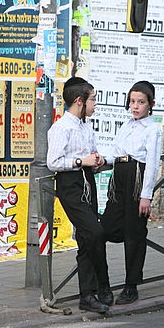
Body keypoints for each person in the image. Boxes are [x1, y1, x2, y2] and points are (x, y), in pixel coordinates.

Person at [46, 77, 113, 313]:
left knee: (87, 238)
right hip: (70, 184)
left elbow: (91, 152)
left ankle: (88, 295)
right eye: (92, 99)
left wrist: (97, 160)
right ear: (79, 101)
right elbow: (53, 162)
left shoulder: (85, 126)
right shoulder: (61, 128)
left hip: (88, 180)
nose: (95, 104)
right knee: (95, 232)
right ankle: (102, 285)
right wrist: (79, 161)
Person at [101, 81, 162, 305]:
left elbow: (153, 163)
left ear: (150, 104)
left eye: (141, 102)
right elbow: (116, 153)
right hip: (119, 176)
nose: (135, 106)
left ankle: (131, 285)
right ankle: (101, 283)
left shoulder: (152, 129)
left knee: (135, 233)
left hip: (138, 177)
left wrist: (146, 195)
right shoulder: (126, 125)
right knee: (106, 227)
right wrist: (101, 161)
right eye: (132, 101)